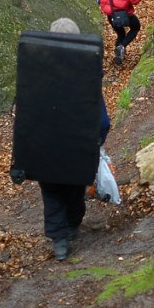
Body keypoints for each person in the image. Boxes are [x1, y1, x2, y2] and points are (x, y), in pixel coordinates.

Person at [37, 17, 111, 262]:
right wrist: (97, 141)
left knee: (52, 193)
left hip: (47, 146)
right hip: (79, 146)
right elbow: (102, 121)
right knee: (75, 189)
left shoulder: (35, 73)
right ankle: (71, 226)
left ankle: (59, 241)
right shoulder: (87, 75)